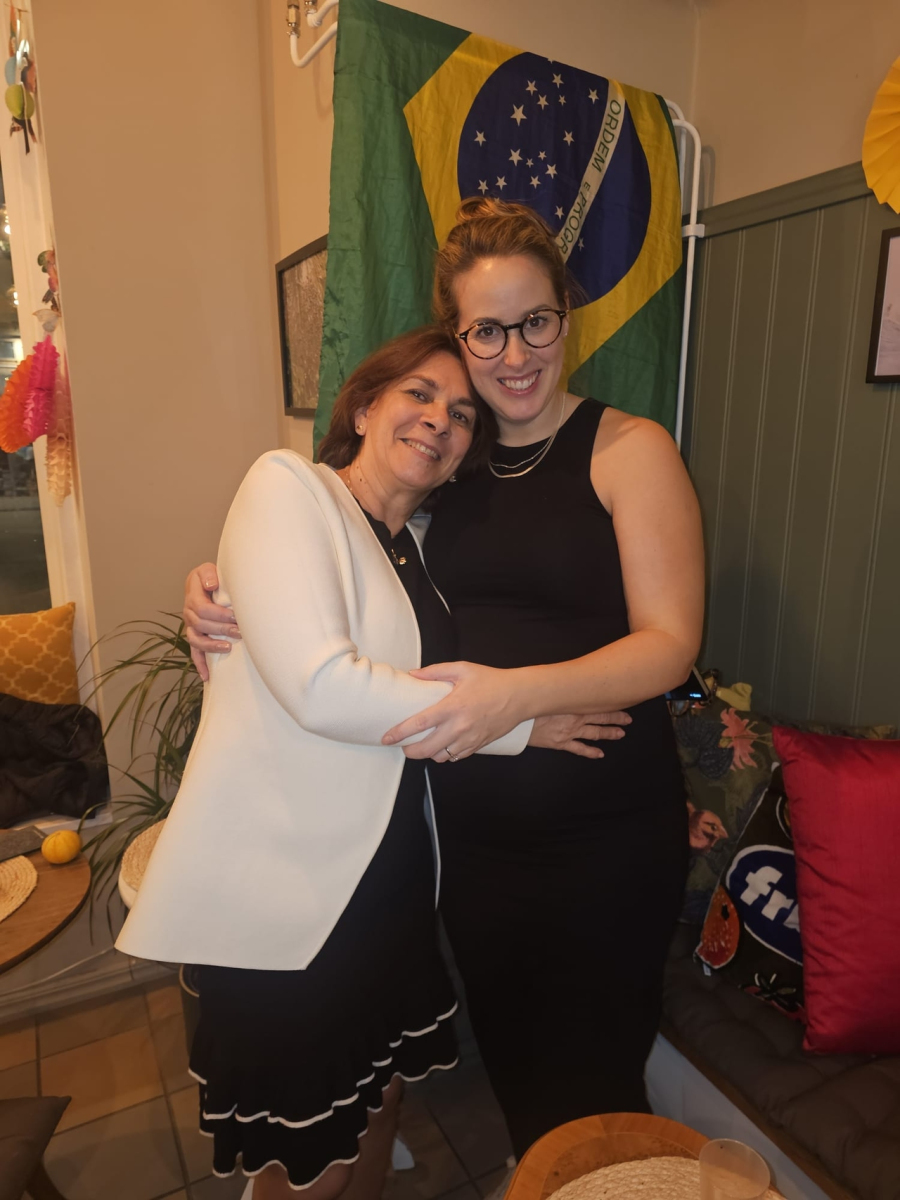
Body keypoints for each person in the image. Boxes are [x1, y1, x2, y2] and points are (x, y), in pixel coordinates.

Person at [184, 199, 704, 1159]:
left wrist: (516, 696)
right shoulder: (449, 475)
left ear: (566, 317)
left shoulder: (630, 451)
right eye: (486, 331)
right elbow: (349, 563)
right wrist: (222, 584)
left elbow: (670, 647)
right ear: (461, 336)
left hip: (604, 834)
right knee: (516, 1062)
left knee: (596, 1074)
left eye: (534, 321)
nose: (515, 353)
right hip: (470, 845)